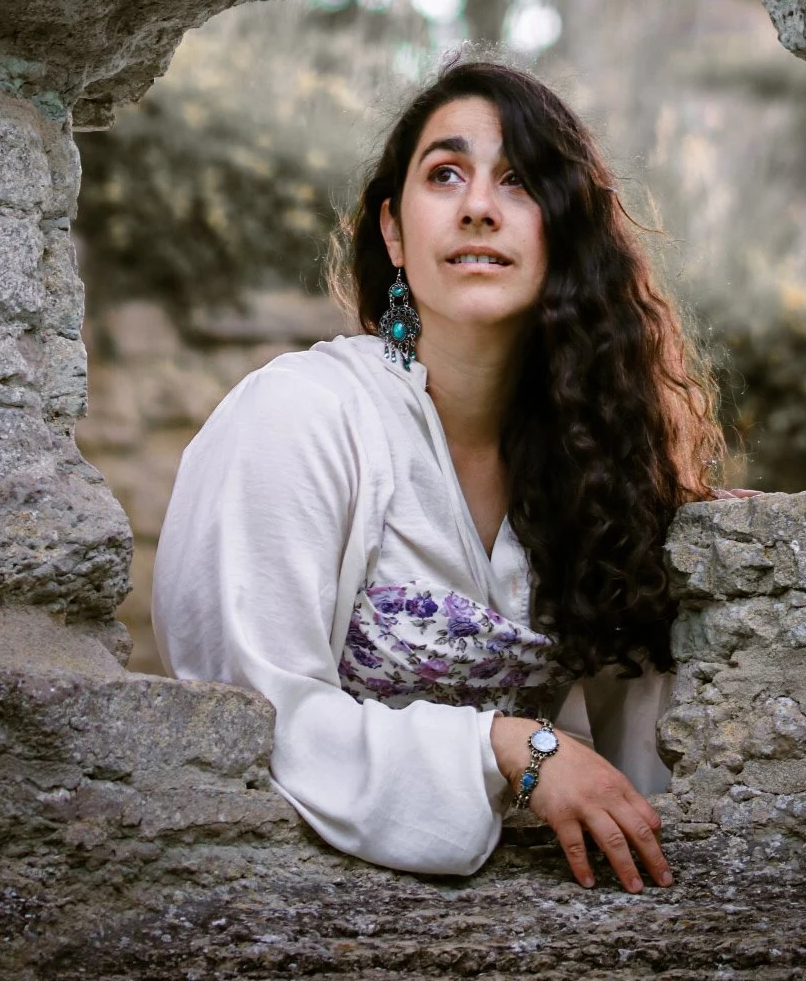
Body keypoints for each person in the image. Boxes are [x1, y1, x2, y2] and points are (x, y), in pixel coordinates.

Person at [153, 59, 731, 890]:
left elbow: (651, 747)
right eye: (445, 174)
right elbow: (242, 717)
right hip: (285, 897)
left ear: (563, 232)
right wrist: (509, 746)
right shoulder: (297, 417)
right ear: (394, 232)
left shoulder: (597, 455)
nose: (479, 207)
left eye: (520, 182)